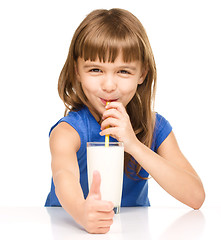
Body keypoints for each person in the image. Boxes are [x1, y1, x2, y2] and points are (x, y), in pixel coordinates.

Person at [45, 8, 205, 234]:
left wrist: (133, 144)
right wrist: (82, 211)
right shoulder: (68, 132)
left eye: (123, 71)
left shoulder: (156, 128)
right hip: (70, 231)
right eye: (95, 69)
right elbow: (63, 176)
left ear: (142, 74)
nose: (109, 85)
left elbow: (196, 196)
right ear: (77, 72)